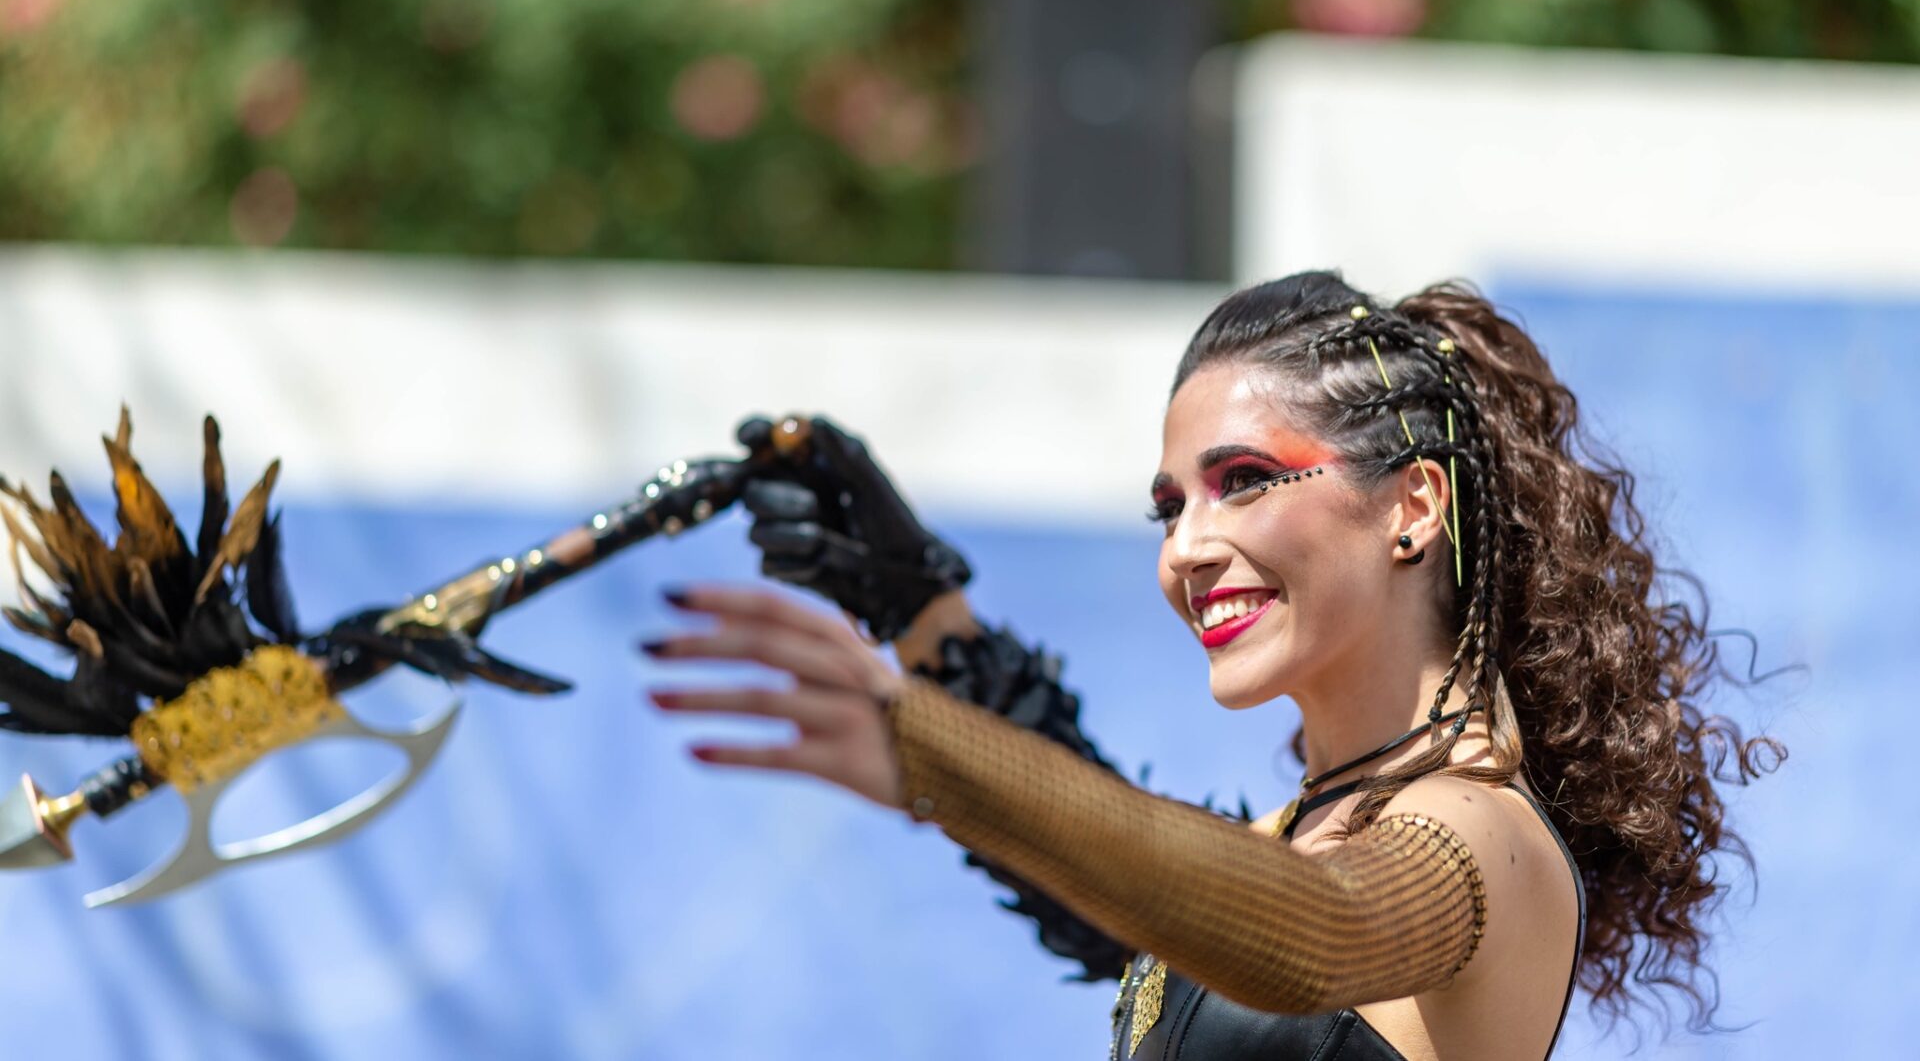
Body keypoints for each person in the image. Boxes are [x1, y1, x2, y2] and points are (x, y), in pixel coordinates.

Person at [640, 271, 1782, 1060]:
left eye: (1244, 481)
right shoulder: (1293, 833)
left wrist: (934, 748)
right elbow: (1144, 907)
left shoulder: (1480, 832)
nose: (1186, 548)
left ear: (1413, 507)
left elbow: (1305, 932)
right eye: (1169, 506)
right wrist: (917, 607)